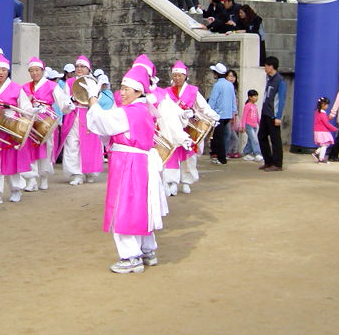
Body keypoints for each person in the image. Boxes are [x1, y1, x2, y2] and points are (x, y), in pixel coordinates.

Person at [84, 66, 162, 273]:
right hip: (138, 162)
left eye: (127, 89)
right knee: (139, 206)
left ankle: (130, 257)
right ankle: (147, 250)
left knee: (123, 208)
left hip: (128, 163)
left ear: (139, 92)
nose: (123, 93)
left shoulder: (130, 112)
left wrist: (92, 98)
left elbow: (102, 122)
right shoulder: (143, 109)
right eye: (122, 88)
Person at [0, 54, 33, 204]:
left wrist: (31, 112)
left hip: (11, 128)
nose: (0, 73)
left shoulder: (16, 88)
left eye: (3, 70)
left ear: (8, 71)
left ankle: (16, 189)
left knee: (12, 159)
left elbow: (25, 107)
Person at [162, 60, 220, 194]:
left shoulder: (193, 91)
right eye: (175, 75)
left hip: (188, 128)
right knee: (172, 154)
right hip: (172, 129)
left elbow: (203, 107)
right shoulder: (167, 92)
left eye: (180, 75)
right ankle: (172, 182)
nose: (177, 78)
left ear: (185, 76)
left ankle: (187, 181)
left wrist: (213, 116)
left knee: (188, 155)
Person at [21, 56, 73, 191]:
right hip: (31, 120)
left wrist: (68, 105)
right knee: (29, 149)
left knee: (46, 148)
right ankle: (31, 179)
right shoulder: (25, 87)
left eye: (37, 70)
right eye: (32, 71)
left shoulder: (52, 86)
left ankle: (44, 177)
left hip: (46, 119)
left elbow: (62, 100)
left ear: (42, 71)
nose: (34, 73)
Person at [56, 55, 105, 185]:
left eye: (82, 66)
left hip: (88, 115)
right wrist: (71, 100)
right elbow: (64, 100)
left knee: (90, 145)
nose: (79, 69)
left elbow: (97, 100)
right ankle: (76, 174)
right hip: (73, 115)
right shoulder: (70, 82)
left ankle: (90, 172)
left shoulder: (93, 82)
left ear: (88, 69)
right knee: (72, 144)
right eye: (77, 66)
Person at [258, 56, 287, 172]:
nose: (265, 68)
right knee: (261, 136)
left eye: (266, 65)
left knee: (275, 139)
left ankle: (277, 163)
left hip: (273, 115)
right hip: (265, 113)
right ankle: (268, 161)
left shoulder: (280, 81)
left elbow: (281, 100)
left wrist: (278, 116)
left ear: (271, 66)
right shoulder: (269, 79)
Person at [207, 63, 236, 165]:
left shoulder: (217, 85)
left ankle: (221, 158)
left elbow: (213, 100)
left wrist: (208, 111)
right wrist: (234, 111)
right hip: (227, 114)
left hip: (218, 115)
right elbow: (233, 99)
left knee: (217, 138)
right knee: (222, 136)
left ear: (217, 74)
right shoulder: (230, 84)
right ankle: (220, 156)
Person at [312, 97, 338, 163]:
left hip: (318, 131)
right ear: (323, 105)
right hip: (322, 131)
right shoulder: (322, 113)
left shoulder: (317, 112)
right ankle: (321, 158)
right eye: (327, 105)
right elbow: (327, 124)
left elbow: (322, 121)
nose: (327, 106)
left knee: (324, 144)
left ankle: (316, 153)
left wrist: (328, 118)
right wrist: (335, 129)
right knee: (325, 145)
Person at [241, 89, 262, 162]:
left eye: (257, 96)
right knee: (254, 140)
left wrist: (260, 124)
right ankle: (257, 154)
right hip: (248, 126)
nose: (256, 98)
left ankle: (246, 153)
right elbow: (244, 116)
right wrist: (243, 126)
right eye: (254, 96)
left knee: (250, 141)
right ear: (250, 97)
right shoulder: (247, 106)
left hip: (254, 126)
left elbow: (257, 117)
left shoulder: (255, 106)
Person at [226, 69, 243, 158]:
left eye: (233, 76)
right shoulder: (227, 88)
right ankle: (230, 152)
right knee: (230, 134)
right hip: (228, 115)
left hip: (233, 115)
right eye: (230, 76)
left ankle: (231, 151)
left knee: (232, 134)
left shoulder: (234, 89)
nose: (232, 78)